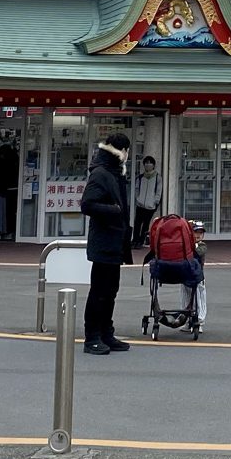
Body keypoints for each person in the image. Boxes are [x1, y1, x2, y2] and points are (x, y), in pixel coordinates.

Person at [79, 132, 133, 355]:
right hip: (104, 241)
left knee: (110, 290)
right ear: (122, 152)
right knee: (99, 291)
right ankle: (92, 337)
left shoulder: (112, 172)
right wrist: (115, 211)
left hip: (114, 241)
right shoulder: (101, 173)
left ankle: (105, 333)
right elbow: (87, 204)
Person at [132, 155, 162, 249]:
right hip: (140, 204)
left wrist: (155, 201)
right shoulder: (140, 177)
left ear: (153, 165)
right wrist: (138, 198)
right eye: (146, 163)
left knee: (145, 225)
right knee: (137, 223)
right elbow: (136, 189)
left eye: (150, 163)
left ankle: (141, 241)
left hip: (150, 206)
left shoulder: (157, 177)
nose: (148, 165)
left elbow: (159, 191)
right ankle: (135, 241)